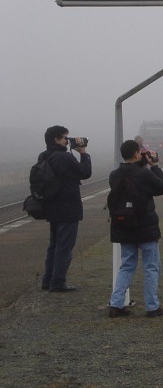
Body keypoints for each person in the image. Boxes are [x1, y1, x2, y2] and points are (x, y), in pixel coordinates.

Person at [108, 139, 163, 318]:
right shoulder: (144, 174)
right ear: (136, 153)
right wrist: (154, 165)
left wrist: (143, 163)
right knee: (150, 267)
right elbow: (161, 187)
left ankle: (116, 304)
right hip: (145, 227)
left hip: (123, 226)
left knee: (126, 266)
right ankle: (152, 306)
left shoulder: (114, 175)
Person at [39, 125, 92, 292]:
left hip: (52, 207)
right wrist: (83, 153)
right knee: (64, 247)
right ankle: (58, 282)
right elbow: (85, 172)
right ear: (56, 139)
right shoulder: (64, 157)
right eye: (64, 138)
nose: (66, 141)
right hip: (67, 208)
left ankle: (48, 280)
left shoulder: (44, 156)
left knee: (54, 245)